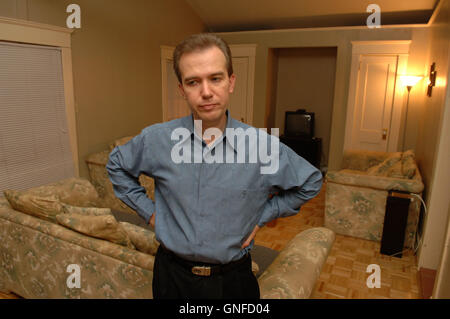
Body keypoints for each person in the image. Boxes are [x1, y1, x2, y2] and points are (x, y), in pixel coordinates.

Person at [106, 33, 323, 299]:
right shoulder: (157, 139)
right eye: (193, 82)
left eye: (215, 78)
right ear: (182, 89)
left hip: (233, 281)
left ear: (231, 82)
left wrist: (265, 214)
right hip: (171, 278)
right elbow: (117, 164)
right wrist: (151, 213)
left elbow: (311, 181)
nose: (206, 92)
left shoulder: (262, 146)